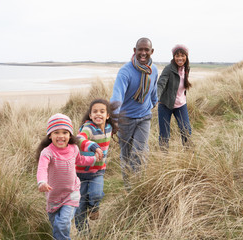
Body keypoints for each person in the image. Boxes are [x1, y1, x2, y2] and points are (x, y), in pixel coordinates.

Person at [36, 113, 103, 240]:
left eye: (65, 132)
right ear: (50, 135)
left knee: (62, 224)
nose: (61, 136)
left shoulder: (73, 148)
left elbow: (81, 160)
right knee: (56, 225)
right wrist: (42, 182)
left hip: (71, 193)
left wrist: (94, 159)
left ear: (70, 135)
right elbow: (42, 168)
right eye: (56, 132)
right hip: (53, 196)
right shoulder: (47, 152)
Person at [110, 37, 158, 191]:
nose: (143, 53)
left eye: (146, 50)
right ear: (134, 51)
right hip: (125, 119)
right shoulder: (125, 71)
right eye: (140, 50)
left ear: (152, 52)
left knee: (139, 153)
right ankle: (128, 187)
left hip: (144, 117)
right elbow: (117, 95)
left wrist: (155, 101)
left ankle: (139, 187)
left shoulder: (154, 70)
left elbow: (153, 88)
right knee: (126, 155)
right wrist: (114, 119)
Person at [74, 99, 119, 234]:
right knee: (80, 205)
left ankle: (94, 208)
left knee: (96, 194)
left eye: (102, 111)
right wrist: (93, 146)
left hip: (98, 171)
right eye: (95, 111)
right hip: (80, 172)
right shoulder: (88, 127)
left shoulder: (109, 128)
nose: (98, 114)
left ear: (107, 115)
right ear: (90, 115)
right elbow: (79, 139)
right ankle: (84, 233)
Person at [157, 44, 192, 150]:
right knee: (164, 135)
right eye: (177, 56)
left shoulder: (187, 68)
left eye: (182, 55)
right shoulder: (168, 69)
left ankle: (188, 154)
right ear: (174, 57)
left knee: (186, 130)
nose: (180, 58)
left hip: (181, 105)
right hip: (165, 105)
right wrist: (156, 97)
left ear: (186, 56)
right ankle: (164, 157)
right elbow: (161, 84)